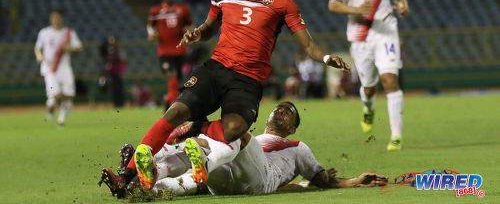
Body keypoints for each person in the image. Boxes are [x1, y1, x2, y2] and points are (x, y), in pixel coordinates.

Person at [120, 0, 351, 190]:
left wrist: (325, 58)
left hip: (248, 79)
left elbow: (308, 45)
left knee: (235, 128)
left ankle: (198, 128)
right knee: (176, 111)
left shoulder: (283, 2)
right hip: (216, 68)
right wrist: (197, 34)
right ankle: (129, 172)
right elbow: (208, 28)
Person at [99, 102, 387, 198]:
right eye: (279, 108)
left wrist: (353, 181)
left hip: (260, 178)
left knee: (235, 136)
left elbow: (322, 180)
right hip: (227, 181)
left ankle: (157, 153)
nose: (281, 111)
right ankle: (140, 185)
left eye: (288, 112)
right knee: (215, 149)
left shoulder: (299, 147)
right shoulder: (258, 139)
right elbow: (298, 186)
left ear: (293, 128)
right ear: (268, 116)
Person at [328, 0, 410, 151]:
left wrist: (403, 6)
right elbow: (333, 4)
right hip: (360, 36)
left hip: (386, 32)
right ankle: (368, 108)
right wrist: (356, 9)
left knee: (390, 82)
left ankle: (396, 136)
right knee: (369, 86)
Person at [147, 0, 193, 111]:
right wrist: (152, 35)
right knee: (171, 75)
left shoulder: (183, 9)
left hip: (180, 50)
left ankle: (168, 99)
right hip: (164, 51)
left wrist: (188, 31)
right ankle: (174, 108)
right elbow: (150, 26)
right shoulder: (155, 11)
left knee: (177, 81)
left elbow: (190, 25)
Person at [34, 10, 82, 126]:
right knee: (56, 95)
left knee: (68, 96)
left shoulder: (68, 33)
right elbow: (37, 47)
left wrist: (68, 48)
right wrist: (39, 56)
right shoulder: (44, 33)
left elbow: (79, 48)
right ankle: (51, 104)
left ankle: (61, 120)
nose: (55, 19)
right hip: (50, 69)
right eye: (53, 17)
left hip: (64, 68)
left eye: (57, 17)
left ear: (61, 18)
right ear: (51, 19)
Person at [99, 35, 127, 107]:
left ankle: (120, 103)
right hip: (112, 72)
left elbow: (122, 59)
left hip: (118, 71)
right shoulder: (110, 50)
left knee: (119, 88)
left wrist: (114, 58)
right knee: (114, 88)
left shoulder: (118, 50)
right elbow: (105, 57)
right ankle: (116, 103)